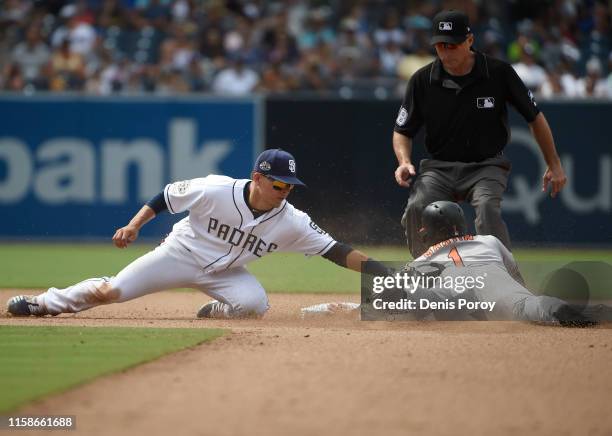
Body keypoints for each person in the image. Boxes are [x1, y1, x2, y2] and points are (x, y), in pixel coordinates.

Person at [6, 149, 389, 319]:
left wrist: (386, 273)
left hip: (227, 273)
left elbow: (337, 251)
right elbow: (166, 197)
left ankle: (215, 309)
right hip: (180, 254)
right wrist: (135, 224)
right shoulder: (215, 189)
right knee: (112, 292)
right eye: (278, 184)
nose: (285, 192)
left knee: (253, 306)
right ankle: (45, 303)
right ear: (257, 177)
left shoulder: (292, 220)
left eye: (290, 186)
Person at [392, 10, 567, 258]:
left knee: (487, 211)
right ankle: (427, 274)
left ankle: (506, 279)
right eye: (440, 45)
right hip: (439, 167)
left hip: (486, 165)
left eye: (453, 44)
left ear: (470, 41)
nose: (446, 51)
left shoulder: (498, 73)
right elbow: (402, 130)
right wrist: (404, 161)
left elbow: (535, 117)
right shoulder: (422, 80)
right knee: (417, 208)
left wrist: (554, 163)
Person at [390, 201, 610, 326]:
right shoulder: (489, 241)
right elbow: (516, 276)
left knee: (411, 298)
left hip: (454, 295)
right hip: (493, 283)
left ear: (427, 232)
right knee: (528, 307)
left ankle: (359, 310)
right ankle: (594, 314)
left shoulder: (420, 262)